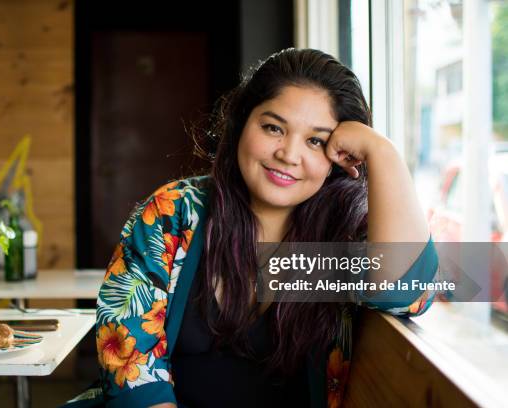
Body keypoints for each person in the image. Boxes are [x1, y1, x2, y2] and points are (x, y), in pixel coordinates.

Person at [72, 48, 438, 408]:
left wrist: (384, 153)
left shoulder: (343, 236)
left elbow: (408, 293)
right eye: (273, 127)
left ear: (340, 159)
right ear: (242, 123)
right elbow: (131, 368)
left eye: (316, 141)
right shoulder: (172, 212)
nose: (289, 155)